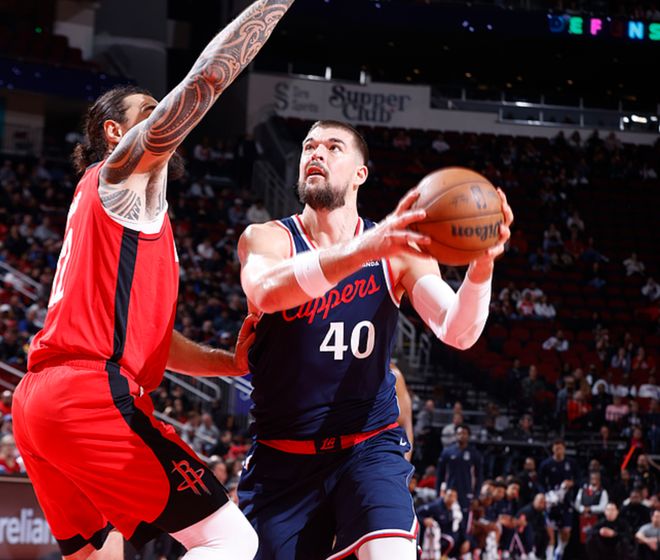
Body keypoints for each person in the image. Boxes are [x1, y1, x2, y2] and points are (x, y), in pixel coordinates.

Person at [10, 1, 295, 559]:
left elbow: (152, 342)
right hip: (87, 396)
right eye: (150, 109)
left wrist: (227, 362)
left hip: (42, 402)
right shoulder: (117, 178)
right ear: (116, 132)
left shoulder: (120, 215)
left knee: (96, 553)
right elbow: (206, 80)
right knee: (230, 538)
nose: (165, 113)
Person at [236, 119, 513, 560]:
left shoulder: (396, 250)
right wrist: (368, 247)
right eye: (309, 146)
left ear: (360, 174)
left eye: (333, 147)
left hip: (368, 447)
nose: (316, 153)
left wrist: (481, 267)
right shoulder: (268, 238)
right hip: (282, 457)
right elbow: (266, 292)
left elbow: (457, 330)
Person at [539, 440, 578, 560]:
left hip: (566, 501)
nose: (558, 451)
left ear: (564, 449)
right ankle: (550, 557)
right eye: (556, 449)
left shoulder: (571, 463)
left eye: (560, 448)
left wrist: (571, 483)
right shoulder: (546, 464)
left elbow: (580, 479)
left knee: (566, 531)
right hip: (551, 500)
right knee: (549, 530)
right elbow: (540, 483)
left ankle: (559, 551)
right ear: (553, 449)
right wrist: (546, 494)